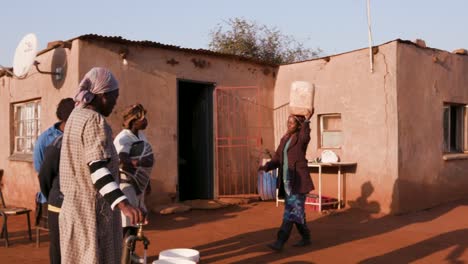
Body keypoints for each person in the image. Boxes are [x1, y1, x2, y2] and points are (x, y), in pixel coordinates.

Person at [59, 67, 144, 263]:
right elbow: (97, 169)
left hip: (72, 212)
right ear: (103, 95)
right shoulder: (94, 120)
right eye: (115, 96)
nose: (115, 103)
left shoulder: (74, 116)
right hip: (91, 215)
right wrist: (124, 204)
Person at [258, 109, 314, 251]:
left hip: (298, 181)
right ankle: (306, 236)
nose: (289, 125)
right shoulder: (285, 139)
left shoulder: (301, 139)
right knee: (296, 211)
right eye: (288, 122)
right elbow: (277, 157)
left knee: (291, 211)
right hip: (286, 181)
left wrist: (307, 120)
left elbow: (306, 136)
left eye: (292, 123)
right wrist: (267, 166)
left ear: (298, 125)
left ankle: (280, 241)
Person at [113, 103, 154, 238]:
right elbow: (122, 158)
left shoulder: (140, 136)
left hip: (138, 185)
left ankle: (130, 255)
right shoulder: (123, 138)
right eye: (143, 119)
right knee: (128, 225)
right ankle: (125, 256)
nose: (146, 121)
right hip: (127, 185)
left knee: (137, 223)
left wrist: (147, 183)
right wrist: (141, 162)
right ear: (133, 121)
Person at [32, 98, 74, 227]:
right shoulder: (46, 139)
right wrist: (52, 195)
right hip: (53, 196)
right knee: (57, 241)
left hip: (75, 197)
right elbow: (42, 170)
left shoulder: (78, 135)